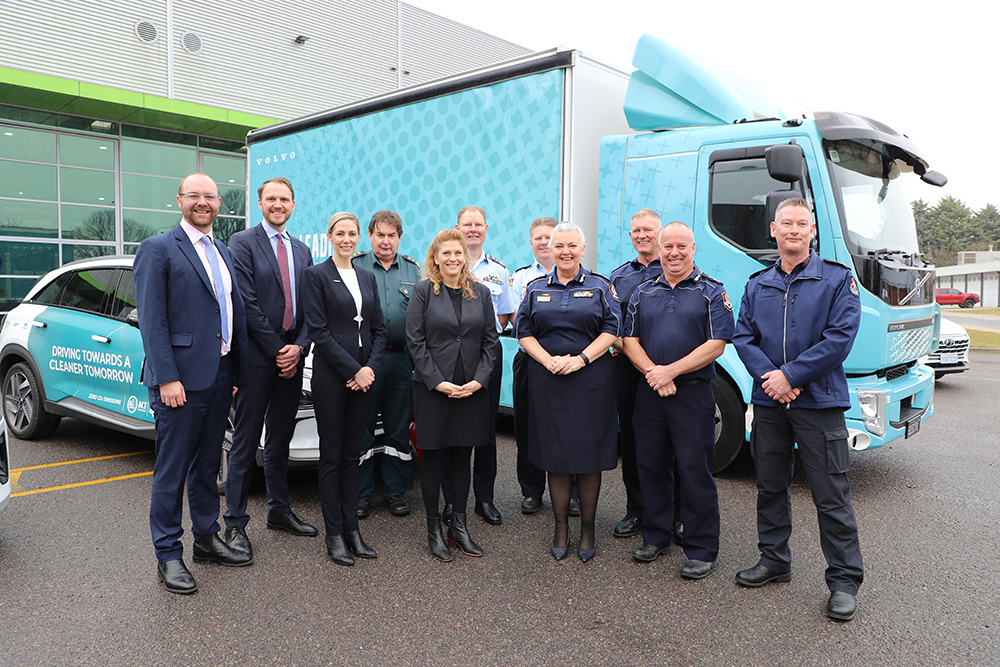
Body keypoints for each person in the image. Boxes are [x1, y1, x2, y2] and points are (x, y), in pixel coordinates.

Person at [732, 198, 863, 621]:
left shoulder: (837, 280)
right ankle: (774, 560)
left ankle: (843, 582)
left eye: (800, 223)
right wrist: (774, 379)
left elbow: (839, 338)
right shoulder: (757, 284)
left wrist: (791, 376)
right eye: (785, 223)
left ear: (812, 231)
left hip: (819, 401)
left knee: (831, 495)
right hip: (770, 401)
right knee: (770, 485)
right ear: (773, 230)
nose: (793, 229)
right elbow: (744, 338)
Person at [134, 172, 251, 595]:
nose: (203, 202)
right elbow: (152, 319)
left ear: (219, 203)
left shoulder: (222, 249)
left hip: (220, 377)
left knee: (206, 466)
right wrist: (166, 377)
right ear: (179, 200)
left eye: (210, 197)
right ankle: (168, 554)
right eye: (194, 196)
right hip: (179, 382)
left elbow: (229, 312)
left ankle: (205, 538)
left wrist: (234, 373)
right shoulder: (158, 249)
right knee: (172, 471)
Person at [622, 222, 734, 579]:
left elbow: (716, 345)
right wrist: (655, 373)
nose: (673, 253)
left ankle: (702, 548)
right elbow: (629, 340)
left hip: (692, 395)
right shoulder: (643, 292)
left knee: (694, 469)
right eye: (667, 246)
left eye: (681, 246)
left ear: (693, 248)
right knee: (650, 465)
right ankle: (656, 535)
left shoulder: (711, 292)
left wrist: (670, 372)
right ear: (660, 247)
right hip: (650, 391)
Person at [516, 222, 620, 562]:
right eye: (558, 245)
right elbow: (524, 331)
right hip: (548, 382)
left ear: (582, 249)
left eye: (572, 245)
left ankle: (587, 529)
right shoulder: (534, 288)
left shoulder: (601, 286)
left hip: (591, 381)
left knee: (588, 456)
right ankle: (561, 527)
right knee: (555, 455)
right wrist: (548, 361)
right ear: (549, 248)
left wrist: (581, 359)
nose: (564, 251)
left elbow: (612, 329)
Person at [224, 177, 317, 558]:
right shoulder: (242, 243)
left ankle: (279, 511)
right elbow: (245, 302)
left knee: (280, 440)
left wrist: (299, 347)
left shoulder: (302, 249)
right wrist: (280, 349)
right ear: (260, 203)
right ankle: (234, 524)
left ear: (293, 205)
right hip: (259, 359)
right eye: (271, 199)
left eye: (285, 199)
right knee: (245, 443)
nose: (278, 205)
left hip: (292, 359)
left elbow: (312, 307)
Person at [406, 229, 498, 561]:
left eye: (458, 253)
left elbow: (491, 342)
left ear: (465, 256)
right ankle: (434, 530)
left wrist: (479, 380)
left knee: (462, 457)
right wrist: (437, 381)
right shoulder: (422, 292)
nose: (453, 259)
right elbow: (415, 342)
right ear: (436, 258)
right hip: (434, 389)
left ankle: (458, 526)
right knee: (433, 457)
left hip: (471, 389)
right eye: (446, 253)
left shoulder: (482, 293)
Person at [301, 212, 386, 566]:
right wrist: (354, 370)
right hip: (331, 378)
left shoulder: (366, 276)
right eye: (341, 233)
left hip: (362, 378)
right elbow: (318, 331)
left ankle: (353, 530)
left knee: (353, 455)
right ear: (330, 237)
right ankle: (334, 533)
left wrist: (368, 369)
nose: (347, 239)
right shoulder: (315, 275)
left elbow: (379, 330)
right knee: (332, 456)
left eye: (352, 233)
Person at [442, 206, 516, 526]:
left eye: (478, 225)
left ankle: (484, 499)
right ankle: (450, 500)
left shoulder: (498, 271)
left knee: (486, 430)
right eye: (466, 225)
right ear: (457, 227)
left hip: (487, 353)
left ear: (486, 228)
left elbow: (504, 316)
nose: (473, 229)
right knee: (450, 429)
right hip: (449, 356)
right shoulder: (444, 264)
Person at [609, 209, 679, 543]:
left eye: (648, 229)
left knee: (674, 443)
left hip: (672, 369)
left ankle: (677, 515)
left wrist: (662, 369)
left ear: (660, 232)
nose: (642, 235)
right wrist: (646, 365)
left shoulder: (677, 271)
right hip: (631, 370)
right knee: (634, 442)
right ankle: (636, 510)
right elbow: (613, 327)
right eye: (636, 230)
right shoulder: (619, 277)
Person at [352, 210, 421, 519]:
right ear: (370, 236)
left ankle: (395, 491)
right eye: (380, 234)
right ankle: (361, 494)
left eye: (392, 235)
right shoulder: (355, 266)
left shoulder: (412, 269)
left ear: (400, 238)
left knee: (396, 429)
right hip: (366, 362)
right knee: (362, 429)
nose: (386, 240)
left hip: (401, 360)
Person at [510, 217, 556, 514]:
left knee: (566, 427)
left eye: (549, 237)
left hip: (566, 362)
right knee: (527, 426)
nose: (544, 242)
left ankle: (572, 491)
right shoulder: (520, 279)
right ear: (531, 243)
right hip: (529, 359)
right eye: (538, 238)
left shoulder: (585, 279)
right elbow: (517, 322)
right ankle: (532, 490)